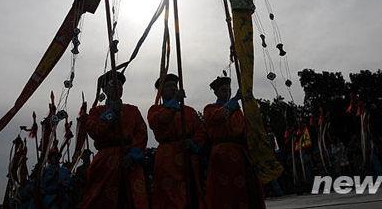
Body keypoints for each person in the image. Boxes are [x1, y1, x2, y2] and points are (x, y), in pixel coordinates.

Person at [79, 70, 148, 209]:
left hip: (130, 158)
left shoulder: (133, 110)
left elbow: (142, 134)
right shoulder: (96, 112)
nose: (118, 87)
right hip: (106, 160)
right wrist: (111, 113)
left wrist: (133, 154)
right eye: (113, 84)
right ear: (104, 89)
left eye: (120, 85)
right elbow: (95, 131)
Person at [203, 76, 265, 209]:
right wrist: (234, 101)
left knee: (243, 190)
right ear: (216, 92)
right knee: (224, 191)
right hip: (221, 154)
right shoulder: (210, 108)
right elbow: (216, 117)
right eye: (223, 90)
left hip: (240, 153)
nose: (227, 92)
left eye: (229, 89)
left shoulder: (237, 111)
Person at [148, 73, 207, 209]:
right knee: (169, 195)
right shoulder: (155, 109)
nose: (173, 88)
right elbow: (159, 122)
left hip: (188, 157)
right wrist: (174, 103)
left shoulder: (189, 111)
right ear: (160, 91)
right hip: (167, 158)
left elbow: (200, 131)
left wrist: (193, 144)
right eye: (169, 86)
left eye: (175, 86)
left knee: (191, 193)